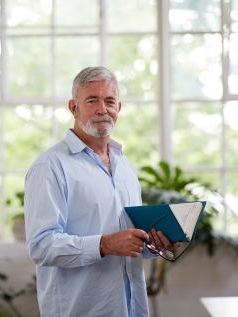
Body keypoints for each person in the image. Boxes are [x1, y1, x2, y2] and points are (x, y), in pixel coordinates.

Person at [24, 66, 179, 317]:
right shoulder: (50, 167)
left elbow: (131, 243)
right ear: (74, 108)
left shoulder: (125, 166)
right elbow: (41, 246)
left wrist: (155, 244)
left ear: (119, 108)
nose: (102, 110)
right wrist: (104, 244)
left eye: (109, 101)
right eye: (92, 100)